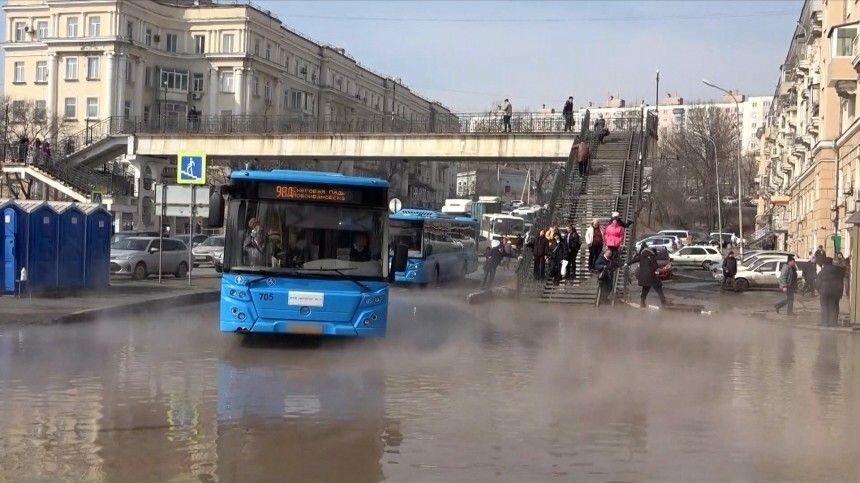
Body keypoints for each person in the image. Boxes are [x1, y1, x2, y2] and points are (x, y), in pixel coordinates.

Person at [816, 257, 844, 327]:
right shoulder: (838, 270)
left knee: (825, 307)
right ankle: (833, 322)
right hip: (835, 292)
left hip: (824, 292)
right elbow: (841, 282)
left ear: (824, 263)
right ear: (831, 262)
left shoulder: (823, 271)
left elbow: (817, 282)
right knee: (834, 307)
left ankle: (825, 322)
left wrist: (819, 290)